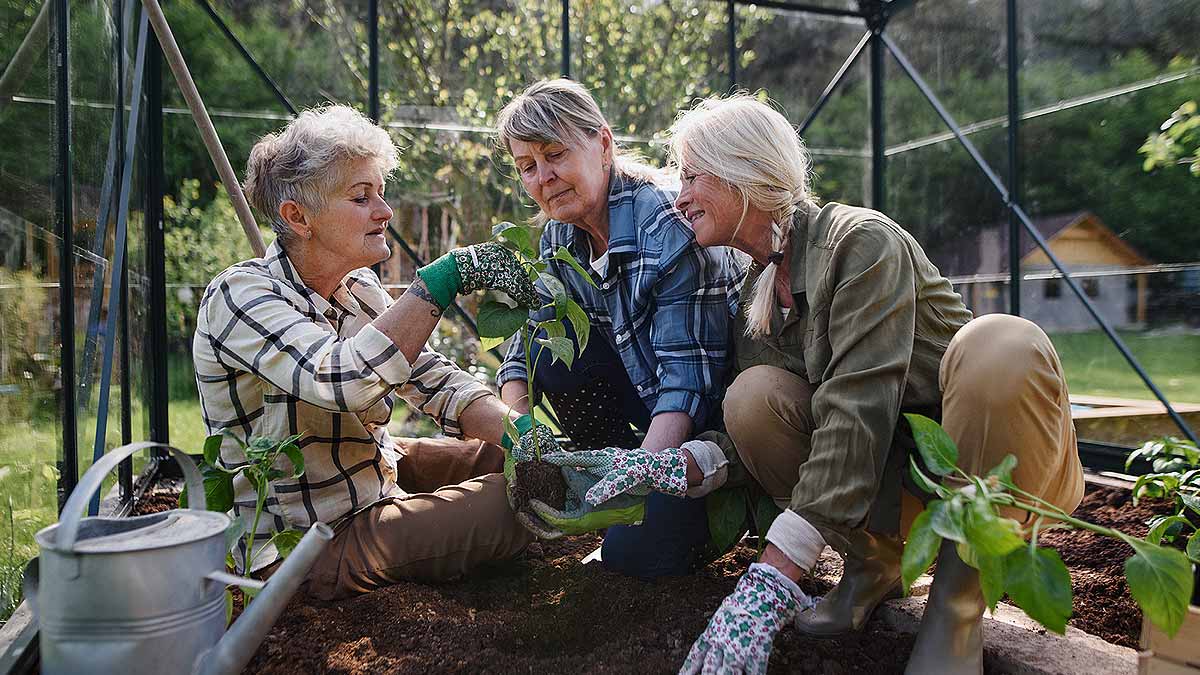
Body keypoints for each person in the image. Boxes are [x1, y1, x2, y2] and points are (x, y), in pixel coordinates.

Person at [657, 95, 1085, 673]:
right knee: (753, 397)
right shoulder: (757, 296)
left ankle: (956, 605)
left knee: (1000, 344)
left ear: (745, 170)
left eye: (690, 175)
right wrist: (683, 462)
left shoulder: (857, 243)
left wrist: (772, 578)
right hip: (901, 475)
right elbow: (783, 425)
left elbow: (857, 405)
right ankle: (873, 563)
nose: (679, 198)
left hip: (998, 470)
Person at [192, 104, 554, 599]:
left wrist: (523, 435)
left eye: (381, 193)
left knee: (523, 464)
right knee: (512, 502)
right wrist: (440, 281)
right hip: (306, 541)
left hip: (368, 475)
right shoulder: (240, 296)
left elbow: (433, 381)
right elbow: (341, 380)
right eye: (362, 197)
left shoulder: (357, 288)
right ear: (299, 217)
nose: (384, 211)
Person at [493, 79, 744, 578]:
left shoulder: (668, 226)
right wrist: (523, 437)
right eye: (527, 167)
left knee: (637, 558)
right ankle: (624, 489)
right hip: (654, 401)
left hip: (714, 426)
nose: (544, 177)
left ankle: (676, 504)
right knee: (555, 356)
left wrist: (632, 481)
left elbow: (687, 386)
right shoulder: (560, 237)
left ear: (603, 145)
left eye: (556, 154)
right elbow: (523, 351)